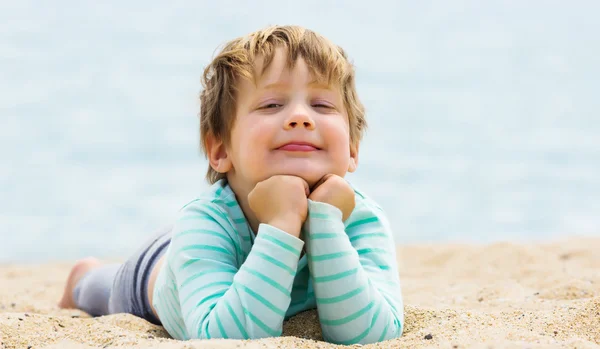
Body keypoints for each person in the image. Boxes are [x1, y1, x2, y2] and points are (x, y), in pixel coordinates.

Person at [58, 25, 404, 345]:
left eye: (322, 104)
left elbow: (373, 334)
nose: (301, 117)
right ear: (221, 150)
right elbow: (225, 339)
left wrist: (325, 223)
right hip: (158, 271)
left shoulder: (361, 218)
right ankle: (82, 276)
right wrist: (282, 224)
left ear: (353, 149)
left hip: (210, 247)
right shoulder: (203, 223)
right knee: (100, 290)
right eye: (271, 105)